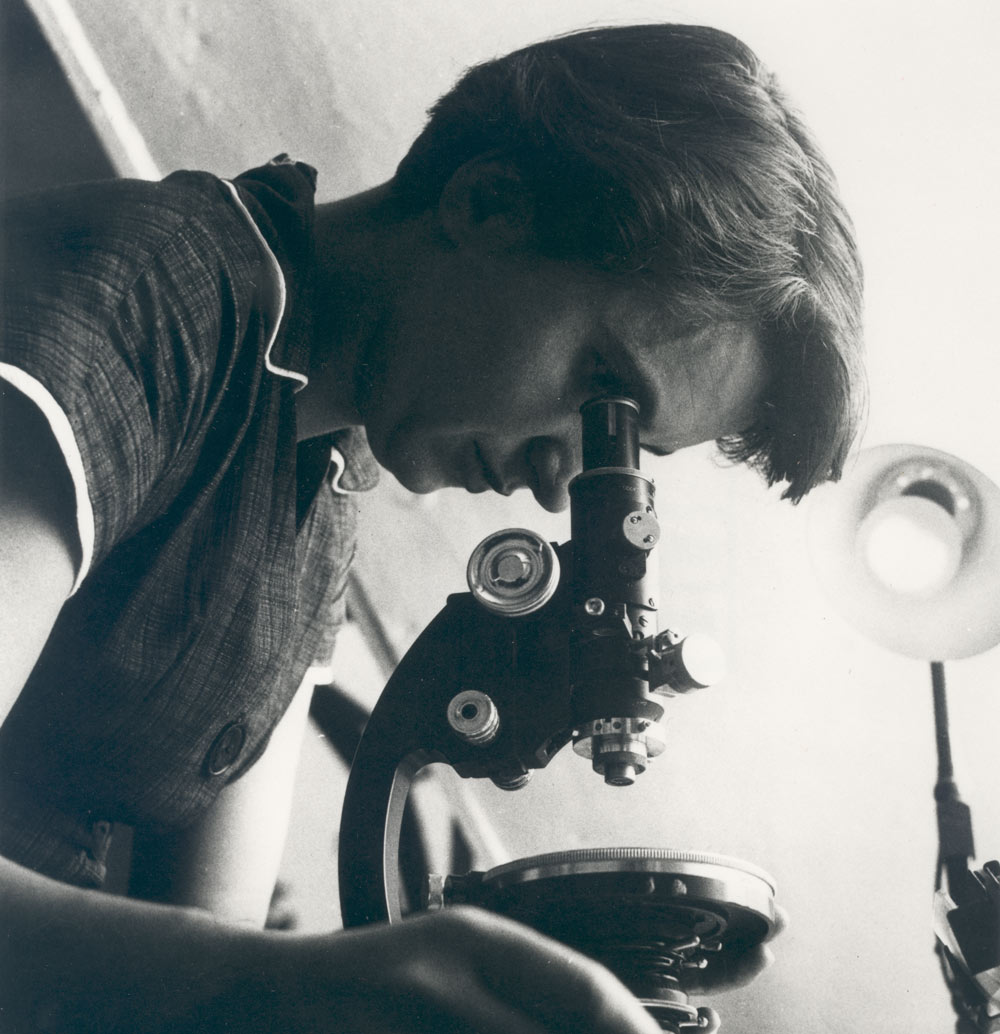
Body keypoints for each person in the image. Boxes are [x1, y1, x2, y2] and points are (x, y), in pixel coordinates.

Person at [0, 22, 863, 1034]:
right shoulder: (149, 296)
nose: (562, 482)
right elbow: (234, 976)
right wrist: (313, 983)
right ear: (486, 204)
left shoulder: (317, 498)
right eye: (600, 388)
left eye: (626, 451)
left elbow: (206, 958)